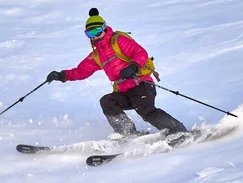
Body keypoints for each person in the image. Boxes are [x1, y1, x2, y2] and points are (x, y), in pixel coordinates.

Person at [46, 8, 188, 138]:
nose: (94, 37)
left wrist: (133, 67)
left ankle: (179, 131)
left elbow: (140, 52)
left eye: (96, 32)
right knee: (107, 101)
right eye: (89, 34)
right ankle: (128, 132)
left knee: (146, 111)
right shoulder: (97, 55)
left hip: (141, 84)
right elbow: (81, 71)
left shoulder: (118, 40)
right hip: (124, 92)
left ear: (104, 28)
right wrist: (61, 75)